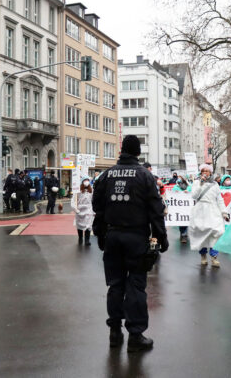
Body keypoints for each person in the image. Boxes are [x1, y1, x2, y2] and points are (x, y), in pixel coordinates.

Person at [92, 135, 168, 352]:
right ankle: (136, 335)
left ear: (121, 150)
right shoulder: (145, 176)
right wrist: (160, 239)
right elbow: (156, 211)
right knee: (136, 285)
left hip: (113, 237)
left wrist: (100, 233)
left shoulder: (106, 175)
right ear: (138, 153)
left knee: (115, 285)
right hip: (136, 237)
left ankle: (114, 332)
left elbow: (98, 206)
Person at [188, 164, 229, 267]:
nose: (205, 173)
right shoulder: (197, 182)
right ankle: (203, 255)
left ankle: (214, 257)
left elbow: (219, 199)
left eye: (207, 171)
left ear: (211, 172)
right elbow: (194, 195)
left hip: (213, 211)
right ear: (201, 172)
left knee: (215, 233)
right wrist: (200, 184)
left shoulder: (215, 184)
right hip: (200, 211)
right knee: (201, 233)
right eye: (203, 171)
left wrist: (224, 212)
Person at [73, 176, 94, 246]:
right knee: (80, 225)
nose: (86, 182)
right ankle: (80, 238)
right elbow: (73, 201)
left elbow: (94, 201)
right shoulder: (78, 191)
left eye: (88, 180)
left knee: (88, 225)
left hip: (88, 210)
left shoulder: (91, 191)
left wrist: (94, 211)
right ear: (82, 182)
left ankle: (87, 240)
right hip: (80, 210)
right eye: (85, 180)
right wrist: (75, 209)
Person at [172, 175, 192, 243]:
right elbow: (172, 194)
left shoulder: (190, 186)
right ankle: (183, 234)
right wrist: (175, 193)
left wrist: (188, 192)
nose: (180, 179)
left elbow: (194, 193)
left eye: (182, 178)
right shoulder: (176, 186)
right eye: (179, 178)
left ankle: (184, 234)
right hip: (180, 207)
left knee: (186, 221)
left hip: (188, 207)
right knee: (181, 221)